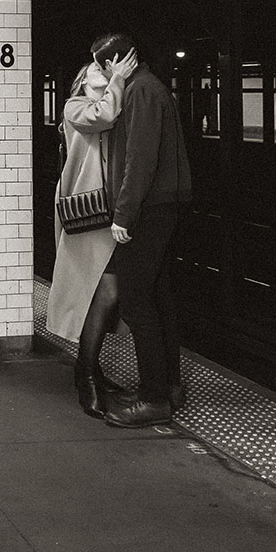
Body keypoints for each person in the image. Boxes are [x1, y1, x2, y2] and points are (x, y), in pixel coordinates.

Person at [91, 31, 192, 428]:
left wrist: (123, 215)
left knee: (135, 300)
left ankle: (153, 400)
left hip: (150, 208)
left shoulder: (140, 92)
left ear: (112, 63)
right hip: (161, 204)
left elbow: (140, 159)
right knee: (158, 295)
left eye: (102, 68)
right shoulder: (148, 88)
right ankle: (169, 387)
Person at [46, 48, 138, 418]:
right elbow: (104, 116)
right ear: (83, 82)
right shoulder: (75, 107)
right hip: (86, 211)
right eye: (95, 70)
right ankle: (85, 376)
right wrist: (117, 79)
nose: (103, 71)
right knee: (103, 290)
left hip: (107, 210)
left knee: (102, 293)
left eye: (107, 69)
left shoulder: (115, 99)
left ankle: (90, 370)